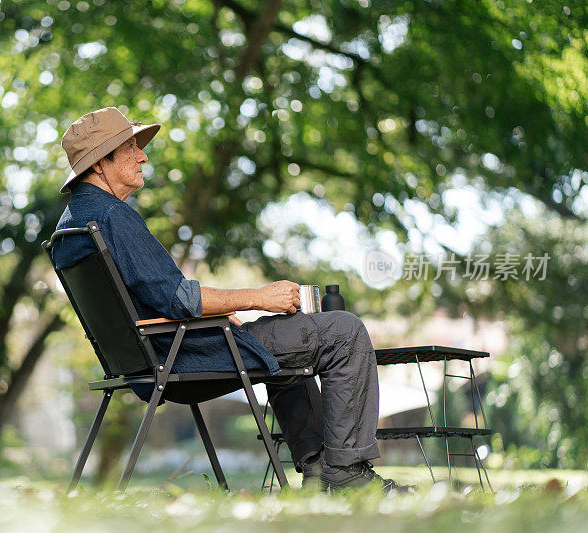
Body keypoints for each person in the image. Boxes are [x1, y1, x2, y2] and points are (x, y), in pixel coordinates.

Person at [50, 107, 407, 493]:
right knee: (343, 330)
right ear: (102, 162)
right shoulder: (112, 216)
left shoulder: (71, 225)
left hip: (149, 356)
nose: (143, 156)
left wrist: (219, 313)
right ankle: (347, 475)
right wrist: (259, 297)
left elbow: (152, 299)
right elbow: (179, 299)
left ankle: (320, 473)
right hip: (184, 354)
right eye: (132, 148)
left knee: (293, 339)